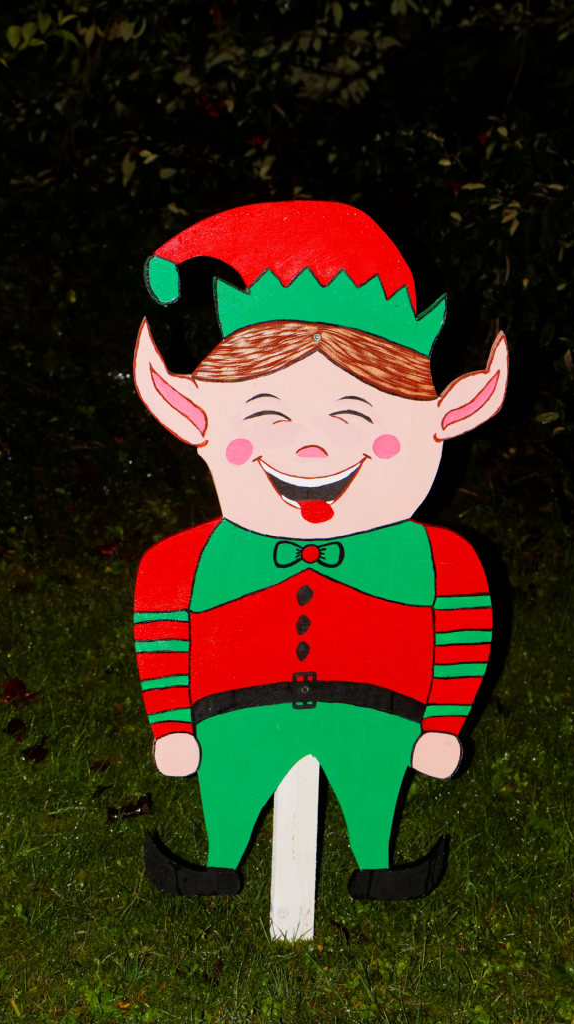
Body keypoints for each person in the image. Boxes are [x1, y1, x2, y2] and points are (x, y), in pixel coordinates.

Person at [133, 201, 508, 899]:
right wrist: (173, 724)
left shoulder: (443, 562)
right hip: (237, 711)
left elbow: (462, 632)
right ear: (194, 418)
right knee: (235, 775)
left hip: (376, 711)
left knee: (370, 777)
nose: (310, 446)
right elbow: (165, 632)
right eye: (267, 414)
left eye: (354, 415)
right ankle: (218, 860)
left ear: (445, 417)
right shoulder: (178, 565)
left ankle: (377, 861)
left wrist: (441, 724)